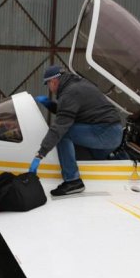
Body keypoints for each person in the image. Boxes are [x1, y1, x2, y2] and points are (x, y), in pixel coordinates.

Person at [29, 65, 122, 196]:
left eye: (48, 84)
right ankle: (99, 156)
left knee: (64, 133)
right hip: (110, 130)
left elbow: (60, 127)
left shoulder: (70, 92)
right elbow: (72, 112)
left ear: (53, 81)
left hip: (107, 133)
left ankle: (73, 181)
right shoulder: (76, 85)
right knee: (68, 130)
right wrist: (52, 106)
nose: (49, 89)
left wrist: (40, 153)